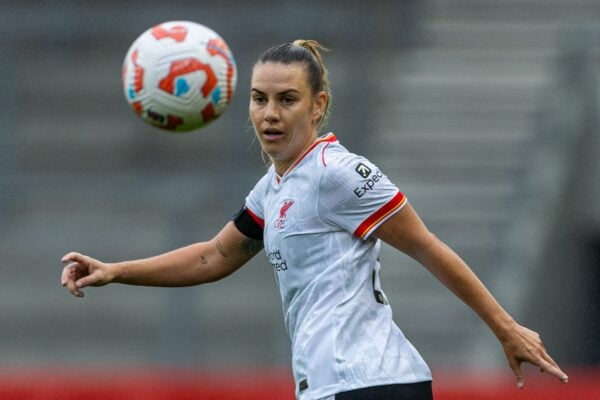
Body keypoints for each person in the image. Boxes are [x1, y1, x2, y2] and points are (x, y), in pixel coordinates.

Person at [61, 40, 568, 400]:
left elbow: (424, 245)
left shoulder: (337, 174)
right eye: (260, 99)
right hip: (335, 387)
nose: (269, 114)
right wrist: (115, 270)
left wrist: (505, 327)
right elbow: (214, 255)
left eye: (287, 99)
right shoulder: (274, 186)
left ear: (318, 105)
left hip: (371, 383)